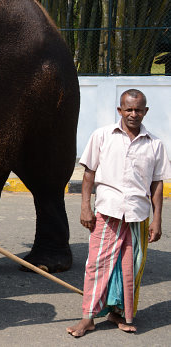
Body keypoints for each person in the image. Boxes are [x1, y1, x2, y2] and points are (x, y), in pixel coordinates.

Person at [67, 89, 171, 338]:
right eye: (128, 109)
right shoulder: (102, 136)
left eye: (138, 109)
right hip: (107, 211)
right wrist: (85, 207)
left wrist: (157, 218)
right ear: (120, 110)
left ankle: (119, 313)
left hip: (138, 215)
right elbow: (89, 173)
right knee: (97, 265)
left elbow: (157, 184)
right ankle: (88, 318)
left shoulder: (155, 144)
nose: (133, 114)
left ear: (146, 111)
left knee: (131, 267)